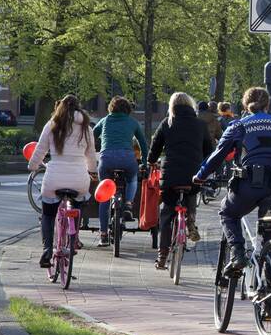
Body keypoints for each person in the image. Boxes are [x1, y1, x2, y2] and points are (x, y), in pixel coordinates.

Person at [194, 87, 271, 273]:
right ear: (268, 104)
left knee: (228, 213)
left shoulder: (239, 125)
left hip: (251, 184)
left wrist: (201, 175)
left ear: (245, 105)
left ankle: (238, 253)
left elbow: (218, 155)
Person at [28, 95, 98, 267]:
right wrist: (93, 172)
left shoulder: (52, 124)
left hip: (54, 178)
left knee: (48, 214)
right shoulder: (86, 128)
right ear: (79, 108)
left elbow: (40, 149)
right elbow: (90, 155)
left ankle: (47, 250)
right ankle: (73, 238)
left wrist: (33, 165)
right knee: (78, 204)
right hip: (79, 178)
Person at [147, 92, 214, 268]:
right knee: (191, 191)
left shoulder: (167, 123)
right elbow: (210, 150)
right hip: (194, 174)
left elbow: (155, 147)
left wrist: (151, 161)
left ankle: (162, 257)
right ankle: (190, 218)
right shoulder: (200, 125)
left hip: (170, 176)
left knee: (167, 213)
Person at [93, 96, 149, 246]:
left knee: (104, 195)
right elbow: (143, 145)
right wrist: (144, 162)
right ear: (128, 110)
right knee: (132, 179)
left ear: (111, 108)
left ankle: (103, 235)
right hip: (127, 159)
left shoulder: (104, 121)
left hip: (107, 160)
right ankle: (129, 204)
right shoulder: (133, 122)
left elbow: (91, 136)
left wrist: (91, 154)